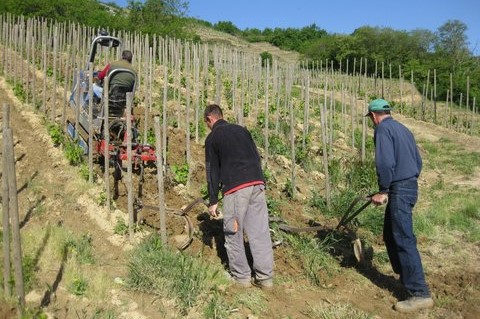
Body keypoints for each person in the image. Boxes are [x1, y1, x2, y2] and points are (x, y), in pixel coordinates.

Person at [366, 98, 434, 313]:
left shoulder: (383, 129)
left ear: (374, 116)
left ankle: (419, 293)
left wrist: (384, 190)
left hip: (399, 189)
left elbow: (385, 162)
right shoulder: (403, 129)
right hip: (409, 185)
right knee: (390, 234)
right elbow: (418, 161)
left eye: (371, 118)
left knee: (403, 238)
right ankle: (407, 278)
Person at [204, 104, 274, 289]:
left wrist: (213, 201)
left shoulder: (213, 138)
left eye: (207, 124)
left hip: (236, 189)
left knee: (233, 231)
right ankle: (265, 278)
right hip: (257, 183)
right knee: (259, 231)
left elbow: (212, 171)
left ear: (209, 119)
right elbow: (256, 156)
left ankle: (241, 277)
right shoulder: (242, 130)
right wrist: (258, 180)